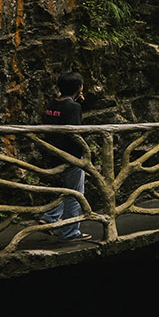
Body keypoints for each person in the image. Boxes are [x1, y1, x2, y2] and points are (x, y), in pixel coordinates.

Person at [37, 71, 93, 242]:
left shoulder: (52, 104)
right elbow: (75, 133)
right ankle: (70, 232)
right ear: (78, 87)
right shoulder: (73, 107)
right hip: (71, 156)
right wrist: (84, 155)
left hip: (54, 152)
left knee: (67, 190)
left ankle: (50, 217)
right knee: (76, 193)